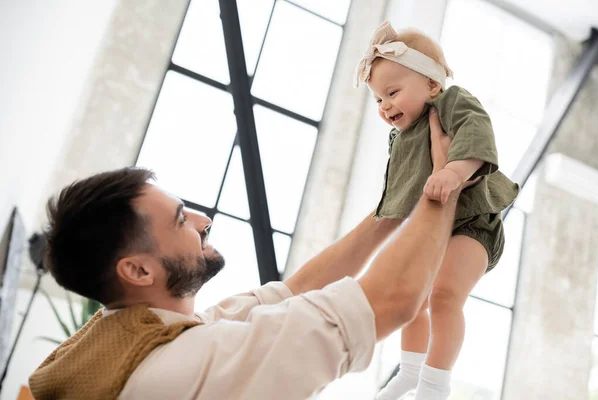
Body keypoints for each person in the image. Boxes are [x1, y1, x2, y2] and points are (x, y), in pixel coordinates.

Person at [29, 111, 465, 400]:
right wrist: (444, 185)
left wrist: (390, 208)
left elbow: (295, 291)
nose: (203, 220)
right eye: (181, 220)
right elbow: (390, 301)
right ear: (139, 269)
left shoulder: (141, 333)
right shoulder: (183, 367)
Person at [353, 21, 520, 400]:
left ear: (431, 84)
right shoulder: (400, 137)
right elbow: (401, 182)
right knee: (414, 299)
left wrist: (453, 171)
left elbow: (477, 133)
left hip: (474, 224)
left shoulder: (451, 102)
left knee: (445, 296)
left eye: (392, 92)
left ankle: (435, 383)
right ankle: (410, 371)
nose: (385, 106)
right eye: (378, 100)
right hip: (435, 229)